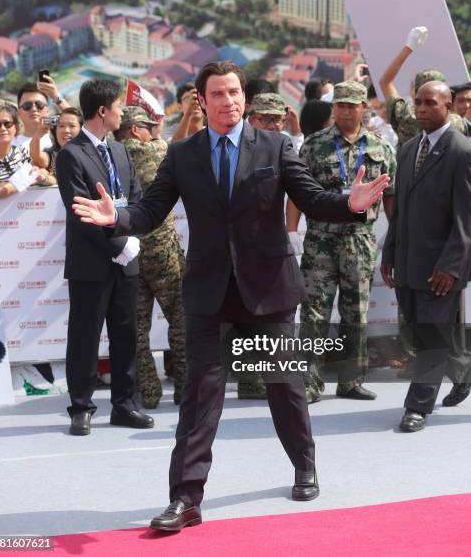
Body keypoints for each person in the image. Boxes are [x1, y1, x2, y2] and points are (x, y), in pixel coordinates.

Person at [71, 60, 389, 531]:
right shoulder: (182, 154)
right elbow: (151, 209)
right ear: (202, 100)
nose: (229, 102)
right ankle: (185, 498)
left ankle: (305, 464)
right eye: (218, 94)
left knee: (285, 389)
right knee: (200, 396)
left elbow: (312, 198)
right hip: (209, 292)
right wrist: (115, 217)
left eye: (235, 92)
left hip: (270, 289)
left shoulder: (277, 146)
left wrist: (348, 202)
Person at [286, 81, 396, 403]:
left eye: (351, 105)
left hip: (360, 240)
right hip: (321, 238)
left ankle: (351, 381)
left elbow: (391, 196)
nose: (345, 110)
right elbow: (297, 192)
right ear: (334, 108)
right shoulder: (313, 145)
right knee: (314, 311)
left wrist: (395, 237)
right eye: (340, 105)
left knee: (356, 312)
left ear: (364, 107)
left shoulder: (380, 147)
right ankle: (309, 382)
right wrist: (291, 232)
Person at [55, 79, 153, 436]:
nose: (121, 113)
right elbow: (81, 212)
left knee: (127, 333)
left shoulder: (122, 151)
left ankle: (125, 404)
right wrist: (119, 245)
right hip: (92, 262)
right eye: (117, 106)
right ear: (102, 110)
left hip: (126, 261)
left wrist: (133, 237)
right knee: (85, 335)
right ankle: (81, 406)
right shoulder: (71, 154)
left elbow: (137, 200)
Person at [381, 81, 471, 432]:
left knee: (431, 336)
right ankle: (462, 371)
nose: (421, 109)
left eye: (430, 103)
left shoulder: (462, 151)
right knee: (420, 335)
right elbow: (400, 211)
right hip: (408, 262)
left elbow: (466, 218)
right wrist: (389, 253)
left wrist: (451, 266)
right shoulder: (406, 150)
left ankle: (417, 407)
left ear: (448, 105)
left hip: (441, 267)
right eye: (417, 102)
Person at [114, 106, 186, 408]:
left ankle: (148, 392)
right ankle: (186, 387)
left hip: (125, 250)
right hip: (162, 250)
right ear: (135, 130)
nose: (152, 132)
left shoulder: (110, 156)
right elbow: (168, 146)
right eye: (147, 127)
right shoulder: (153, 151)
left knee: (136, 326)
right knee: (181, 317)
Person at [379, 26, 467, 148]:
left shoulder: (405, 114)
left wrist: (408, 48)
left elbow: (385, 82)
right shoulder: (458, 123)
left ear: (413, 92)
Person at [0, 104, 43, 199]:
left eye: (7, 124)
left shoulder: (22, 151)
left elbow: (45, 175)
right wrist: (29, 178)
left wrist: (42, 177)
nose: (3, 128)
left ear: (15, 128)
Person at [31, 107, 84, 185]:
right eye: (61, 126)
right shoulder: (52, 153)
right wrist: (37, 136)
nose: (66, 130)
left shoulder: (90, 153)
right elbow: (37, 157)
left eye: (72, 126)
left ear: (81, 129)